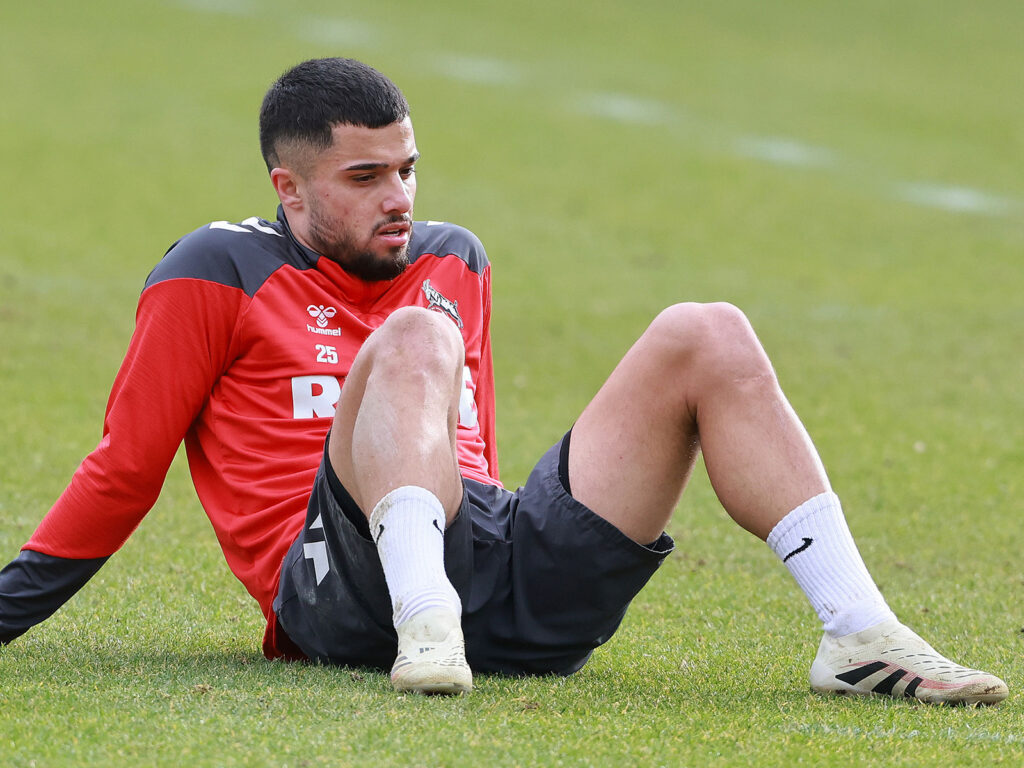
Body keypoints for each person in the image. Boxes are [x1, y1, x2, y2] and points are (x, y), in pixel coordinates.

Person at [0, 58, 1008, 704]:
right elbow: (125, 466)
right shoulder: (211, 272)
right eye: (365, 179)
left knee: (706, 331)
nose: (398, 198)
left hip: (494, 562)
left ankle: (856, 632)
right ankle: (425, 619)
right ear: (287, 186)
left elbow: (459, 445)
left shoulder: (455, 257)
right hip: (337, 595)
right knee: (411, 339)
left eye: (406, 169)